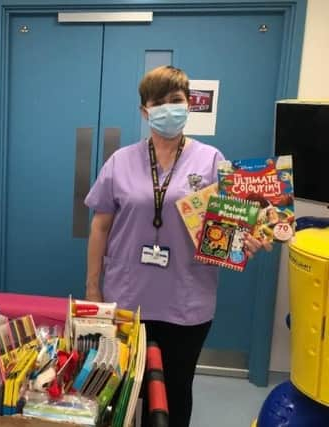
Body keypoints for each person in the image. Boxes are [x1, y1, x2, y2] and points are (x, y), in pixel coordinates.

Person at [84, 65, 271, 427]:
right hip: (127, 296)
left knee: (176, 388)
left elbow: (231, 227)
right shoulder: (120, 161)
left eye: (177, 100)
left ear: (188, 105)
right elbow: (100, 225)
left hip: (187, 297)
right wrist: (93, 285)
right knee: (126, 389)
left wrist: (248, 240)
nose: (170, 109)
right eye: (160, 102)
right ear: (145, 111)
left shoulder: (212, 160)